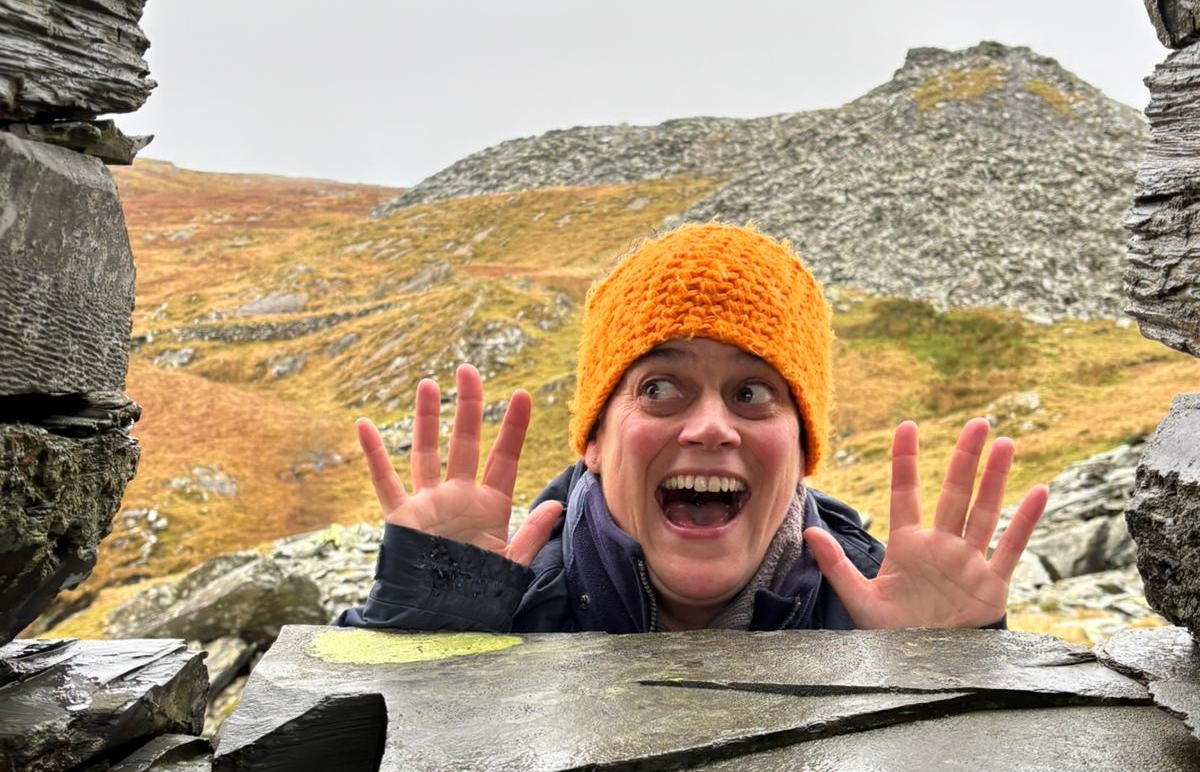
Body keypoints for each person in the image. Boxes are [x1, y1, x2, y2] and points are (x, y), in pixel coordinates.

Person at [338, 223, 1048, 635]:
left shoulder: (887, 612)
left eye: (752, 393)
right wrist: (417, 627)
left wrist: (949, 669)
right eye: (659, 389)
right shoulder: (497, 602)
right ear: (594, 442)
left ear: (803, 452)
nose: (711, 427)